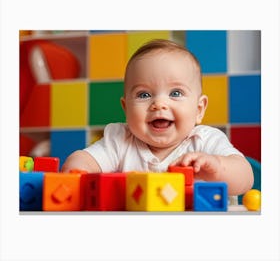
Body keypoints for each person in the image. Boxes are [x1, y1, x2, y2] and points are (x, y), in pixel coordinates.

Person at [62, 39, 254, 196]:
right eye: (144, 95)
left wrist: (218, 168)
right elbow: (86, 160)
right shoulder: (120, 140)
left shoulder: (205, 141)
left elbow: (245, 178)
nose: (159, 104)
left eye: (176, 93)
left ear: (199, 109)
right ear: (126, 108)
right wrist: (77, 170)